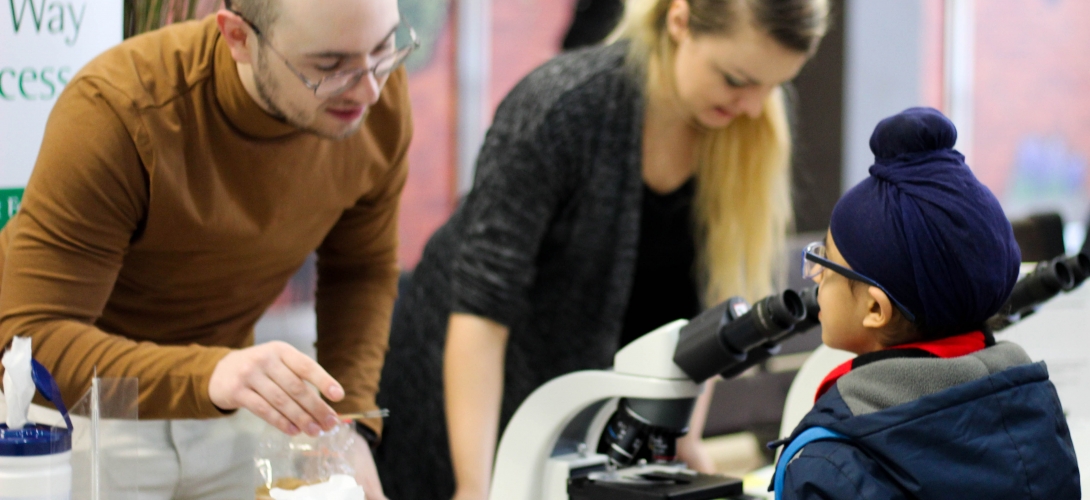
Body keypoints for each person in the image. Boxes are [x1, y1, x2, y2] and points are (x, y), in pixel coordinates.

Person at [374, 0, 830, 498]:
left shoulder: (750, 127)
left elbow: (709, 313)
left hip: (584, 430)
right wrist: (472, 485)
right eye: (736, 79)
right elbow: (480, 314)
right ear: (679, 21)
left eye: (773, 85)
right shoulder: (563, 106)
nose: (753, 105)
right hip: (459, 408)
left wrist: (683, 439)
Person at [0, 0, 415, 497]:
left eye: (384, 48)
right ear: (238, 37)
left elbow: (361, 270)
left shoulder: (375, 99)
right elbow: (29, 343)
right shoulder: (122, 109)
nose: (369, 89)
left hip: (230, 401)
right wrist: (209, 375)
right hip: (80, 410)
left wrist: (347, 425)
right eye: (328, 66)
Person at [773, 107, 1081, 499]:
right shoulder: (1036, 410)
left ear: (874, 309)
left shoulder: (832, 464)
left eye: (825, 263)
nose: (815, 278)